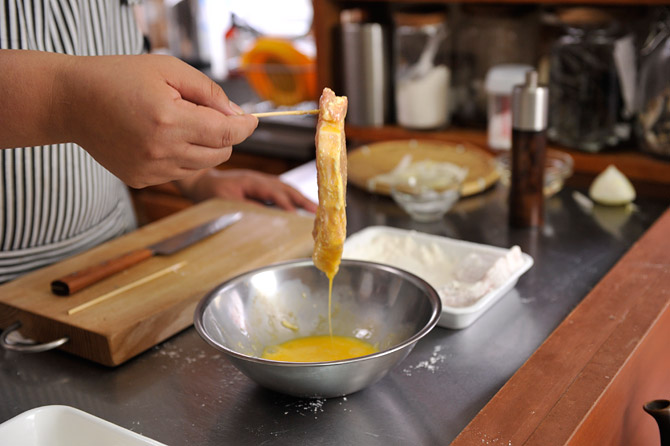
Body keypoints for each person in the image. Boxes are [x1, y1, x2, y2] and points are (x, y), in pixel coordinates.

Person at [0, 1, 316, 283]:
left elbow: (126, 98)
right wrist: (68, 102)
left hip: (117, 252)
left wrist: (200, 180)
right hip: (10, 278)